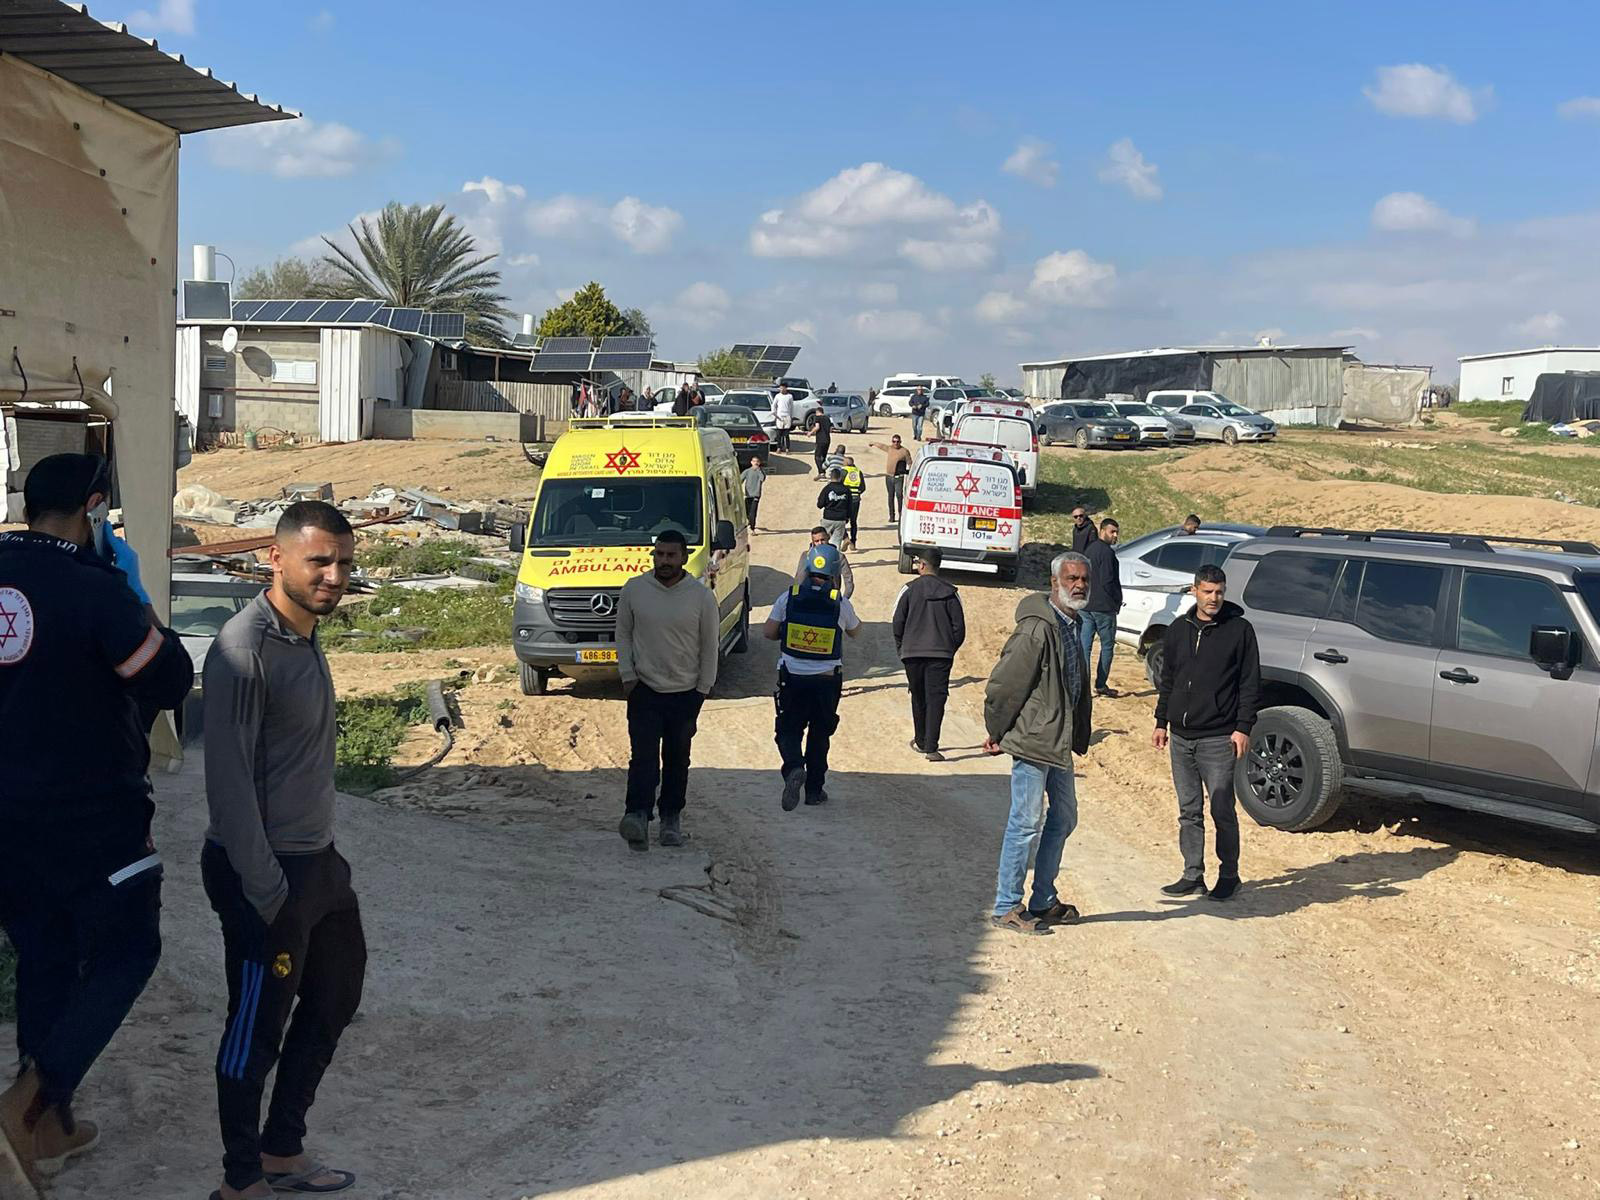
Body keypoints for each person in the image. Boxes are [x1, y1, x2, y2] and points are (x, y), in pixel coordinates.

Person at [0, 454, 193, 1183]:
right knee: (128, 949)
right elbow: (168, 679)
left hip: (6, 819)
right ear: (94, 509)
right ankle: (24, 1104)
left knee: (45, 952)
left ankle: (50, 1129)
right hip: (91, 817)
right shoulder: (95, 588)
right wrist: (134, 593)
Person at [202, 501, 363, 1200]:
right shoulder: (245, 648)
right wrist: (268, 891)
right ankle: (240, 1181)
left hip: (317, 864)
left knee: (333, 998)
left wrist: (325, 863)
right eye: (319, 561)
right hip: (262, 872)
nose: (334, 576)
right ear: (276, 558)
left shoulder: (302, 634)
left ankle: (281, 1150)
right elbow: (228, 783)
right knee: (255, 1029)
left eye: (344, 563)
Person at [982, 552, 1093, 935]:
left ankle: (1043, 899)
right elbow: (1004, 685)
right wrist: (997, 731)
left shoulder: (1074, 624)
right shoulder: (1036, 629)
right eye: (1071, 578)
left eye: (1084, 579)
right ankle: (1007, 906)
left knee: (1064, 817)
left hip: (1057, 741)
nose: (1079, 585)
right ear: (1054, 582)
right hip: (1034, 740)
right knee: (1026, 822)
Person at [1152, 564, 1261, 902]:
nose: (1214, 598)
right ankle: (1192, 875)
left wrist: (1243, 728)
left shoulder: (1239, 630)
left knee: (1222, 810)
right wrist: (1161, 721)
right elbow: (1168, 679)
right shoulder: (1177, 629)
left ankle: (1229, 875)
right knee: (1189, 810)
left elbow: (1250, 683)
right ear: (1194, 590)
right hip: (1181, 737)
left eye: (1219, 592)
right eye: (1207, 591)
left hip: (1218, 736)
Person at [616, 529, 720, 851]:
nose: (664, 561)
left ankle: (671, 818)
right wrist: (628, 676)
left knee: (677, 759)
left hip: (686, 692)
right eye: (659, 554)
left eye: (671, 555)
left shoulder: (701, 597)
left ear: (684, 558)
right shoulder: (634, 589)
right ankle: (637, 816)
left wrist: (703, 688)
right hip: (644, 689)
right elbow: (623, 634)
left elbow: (710, 646)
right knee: (643, 758)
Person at [765, 542, 862, 810]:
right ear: (834, 573)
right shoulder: (839, 603)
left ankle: (794, 767)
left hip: (792, 678)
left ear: (808, 568)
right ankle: (814, 791)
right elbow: (856, 632)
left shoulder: (788, 597)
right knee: (819, 736)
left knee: (788, 729)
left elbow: (768, 632)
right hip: (827, 681)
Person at [893, 553, 965, 762]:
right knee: (936, 698)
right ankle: (931, 748)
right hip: (941, 655)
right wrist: (948, 649)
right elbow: (959, 628)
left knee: (918, 695)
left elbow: (897, 622)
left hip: (912, 653)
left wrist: (902, 649)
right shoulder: (951, 593)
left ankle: (920, 740)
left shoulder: (908, 590)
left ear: (923, 565)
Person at [1080, 518, 1123, 697]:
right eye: (1112, 532)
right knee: (1107, 647)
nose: (1115, 536)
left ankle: (1082, 686)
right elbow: (1108, 581)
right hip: (1103, 607)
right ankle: (1100, 685)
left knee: (1084, 647)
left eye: (1117, 532)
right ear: (1102, 530)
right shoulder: (1106, 553)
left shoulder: (1090, 549)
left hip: (1086, 605)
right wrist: (1116, 601)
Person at [794, 527, 854, 599]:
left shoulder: (838, 556)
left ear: (828, 538)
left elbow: (848, 579)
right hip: (808, 596)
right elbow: (799, 578)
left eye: (822, 540)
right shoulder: (806, 555)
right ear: (813, 542)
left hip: (831, 598)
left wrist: (844, 599)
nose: (820, 543)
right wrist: (795, 596)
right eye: (817, 541)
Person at [870, 434, 912, 522]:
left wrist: (911, 474)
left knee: (899, 495)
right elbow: (882, 446)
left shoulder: (904, 451)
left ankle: (901, 515)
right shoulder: (890, 449)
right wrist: (873, 443)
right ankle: (892, 516)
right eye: (894, 441)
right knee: (890, 496)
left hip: (899, 477)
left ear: (900, 442)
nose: (895, 443)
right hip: (889, 476)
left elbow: (910, 463)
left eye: (897, 441)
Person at [816, 467, 852, 551]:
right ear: (840, 477)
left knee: (822, 540)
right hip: (841, 519)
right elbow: (850, 506)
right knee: (836, 542)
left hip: (828, 518)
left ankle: (822, 556)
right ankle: (835, 557)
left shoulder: (827, 489)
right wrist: (848, 517)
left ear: (830, 477)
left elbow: (820, 504)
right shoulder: (846, 490)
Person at [840, 456, 866, 551]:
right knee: (853, 521)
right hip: (856, 499)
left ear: (846, 463)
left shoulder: (843, 471)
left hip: (845, 499)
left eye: (843, 462)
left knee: (840, 520)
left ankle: (845, 537)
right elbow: (863, 487)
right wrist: (857, 493)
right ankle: (853, 542)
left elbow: (839, 484)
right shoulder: (858, 472)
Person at [741, 455, 766, 531]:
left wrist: (758, 470)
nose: (756, 463)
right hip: (748, 495)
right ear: (751, 462)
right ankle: (749, 521)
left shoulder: (761, 472)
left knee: (753, 512)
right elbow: (740, 479)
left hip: (756, 495)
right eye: (754, 461)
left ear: (759, 463)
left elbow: (762, 478)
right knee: (747, 511)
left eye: (757, 461)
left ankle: (752, 528)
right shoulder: (747, 471)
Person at [812, 407, 834, 479]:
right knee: (823, 457)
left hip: (820, 439)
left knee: (817, 457)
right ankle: (823, 472)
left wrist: (810, 432)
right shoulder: (828, 418)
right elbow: (831, 429)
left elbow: (817, 427)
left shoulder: (817, 418)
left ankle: (821, 473)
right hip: (827, 439)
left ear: (817, 412)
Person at [774, 384, 795, 452]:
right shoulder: (777, 396)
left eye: (783, 388)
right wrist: (774, 414)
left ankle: (787, 448)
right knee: (779, 434)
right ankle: (779, 447)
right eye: (780, 388)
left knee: (786, 434)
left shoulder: (790, 396)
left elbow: (792, 407)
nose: (781, 389)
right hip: (779, 416)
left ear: (786, 388)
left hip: (787, 416)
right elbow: (774, 405)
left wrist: (791, 416)